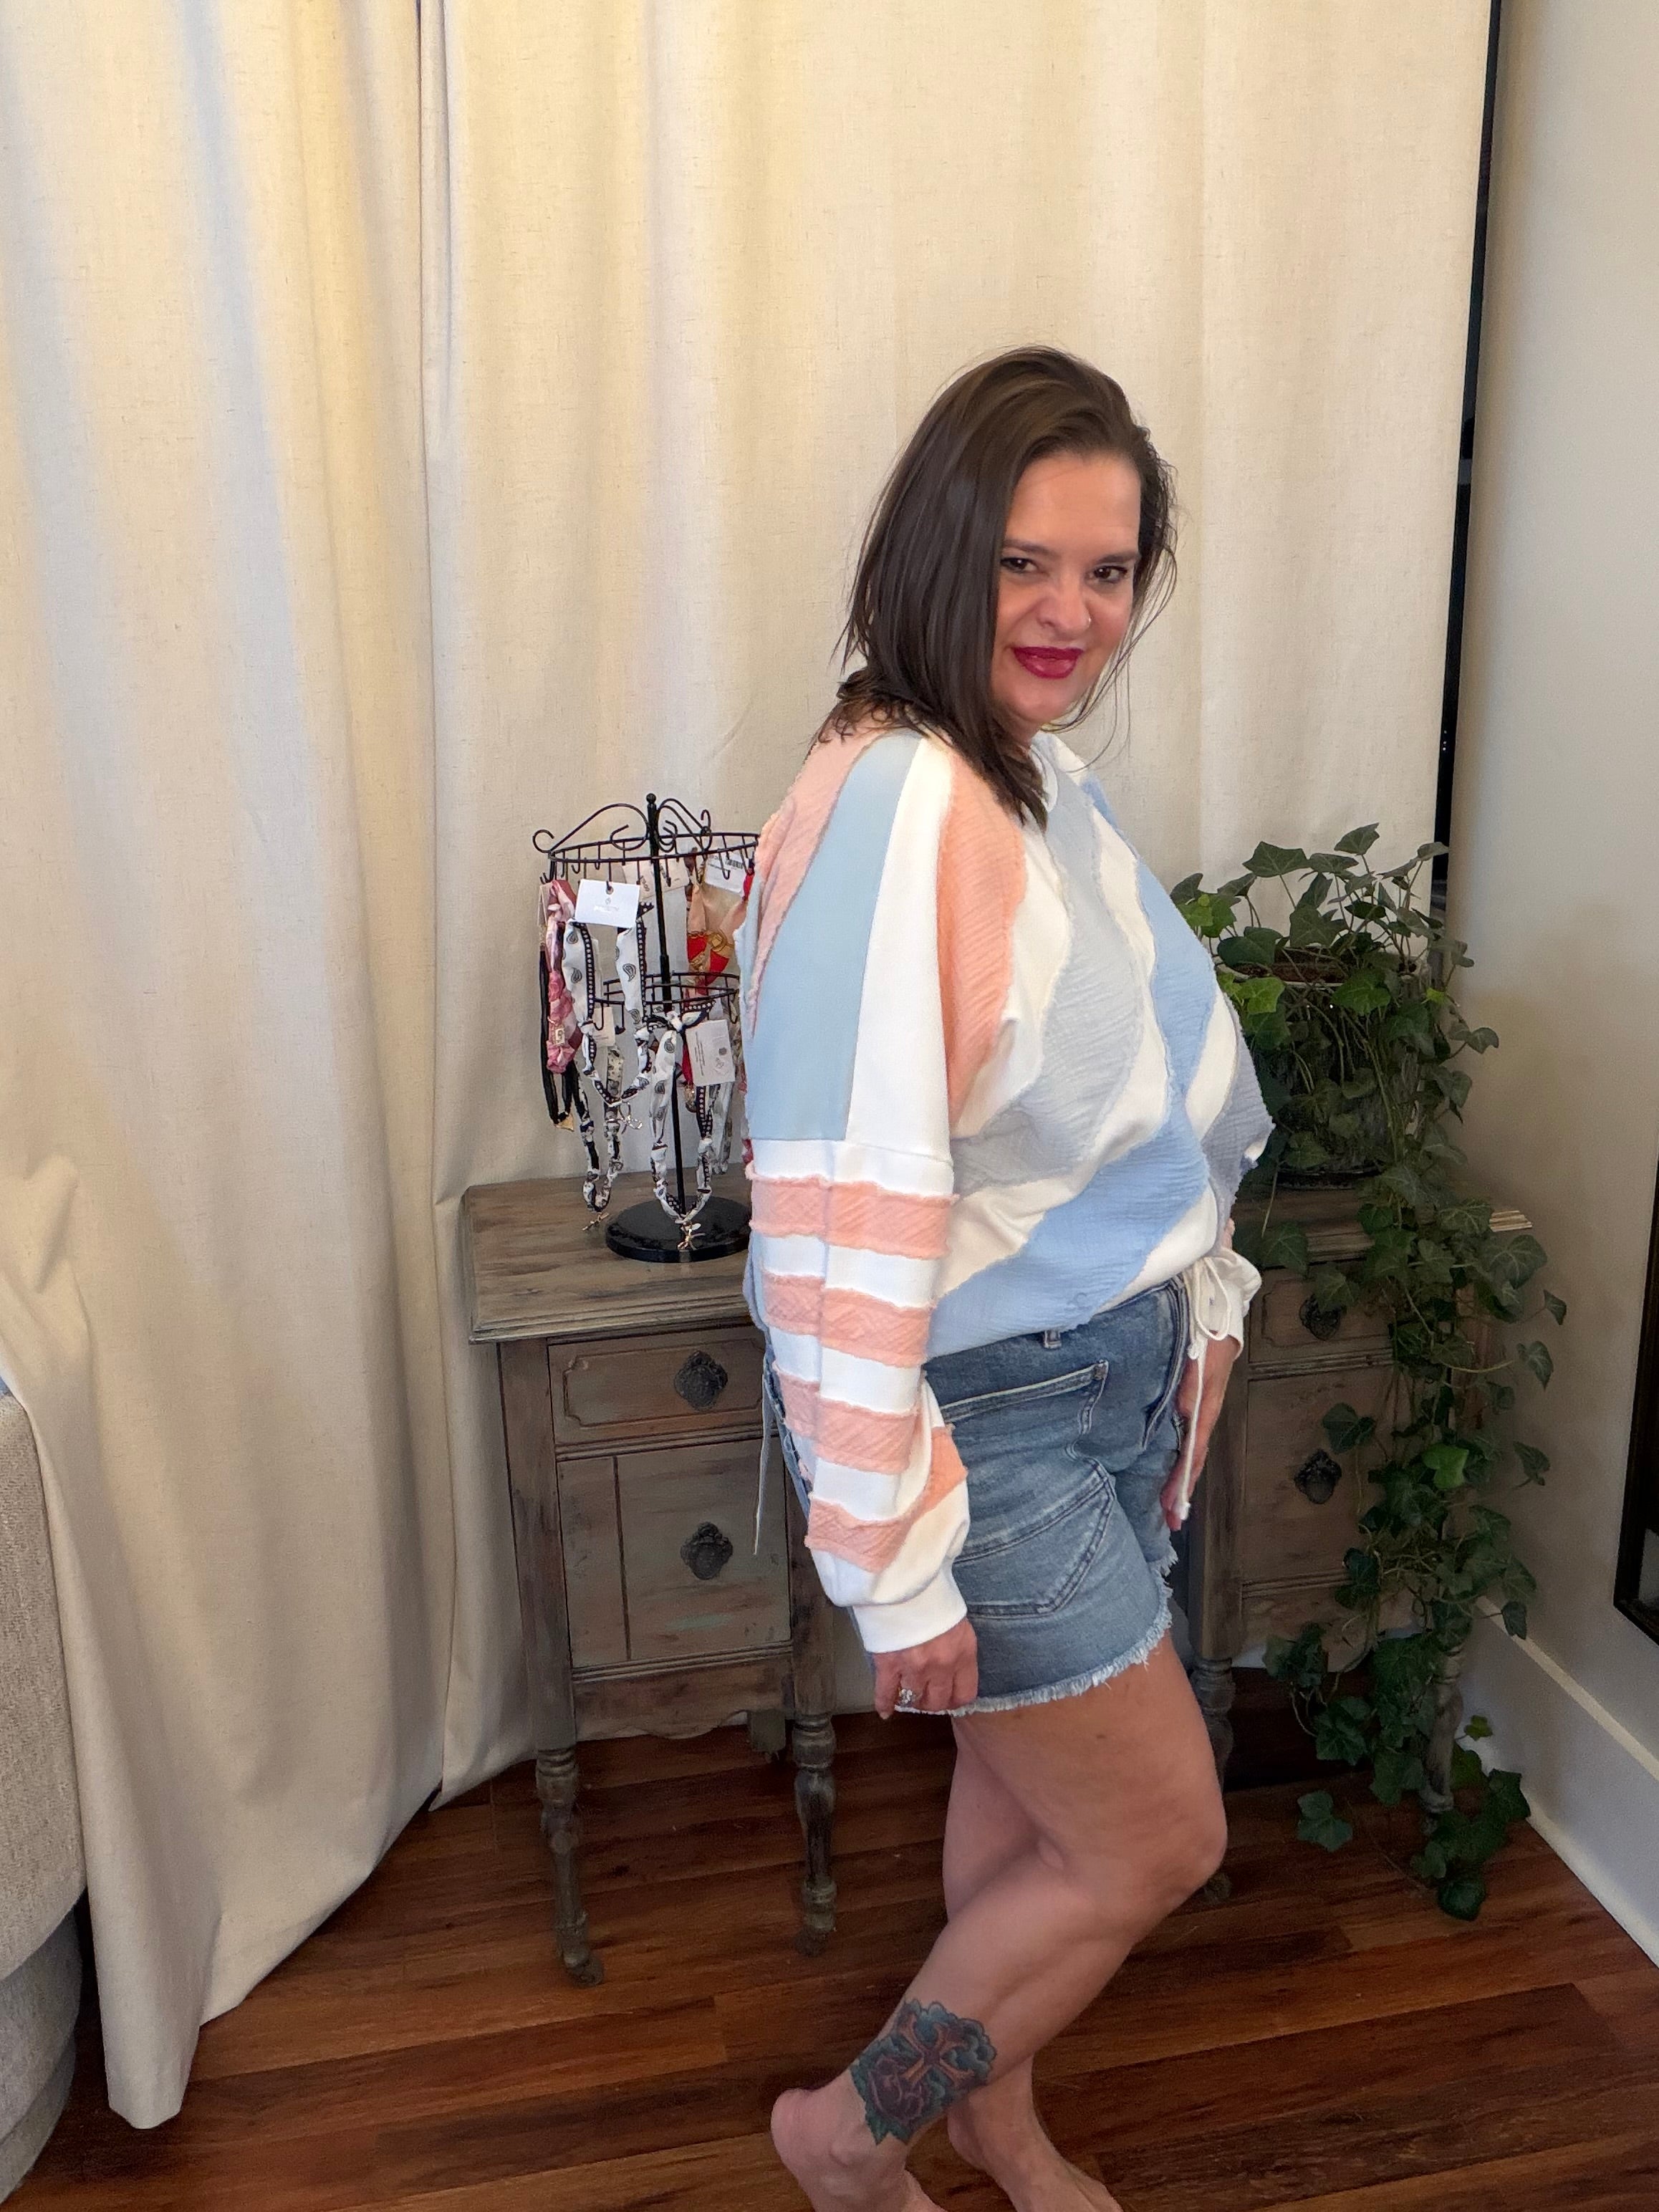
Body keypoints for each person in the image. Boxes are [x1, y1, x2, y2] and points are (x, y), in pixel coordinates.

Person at [736, 346, 1272, 2212]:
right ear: (937, 550)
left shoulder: (1025, 779)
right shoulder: (908, 807)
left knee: (1030, 1805)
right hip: (1006, 1420)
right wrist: (890, 1562)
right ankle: (847, 2133)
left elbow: (1134, 1104)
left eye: (1108, 572)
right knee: (1152, 1840)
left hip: (1099, 1380)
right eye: (1024, 563)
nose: (1067, 613)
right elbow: (837, 1211)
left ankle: (1000, 2115)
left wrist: (1195, 1303)